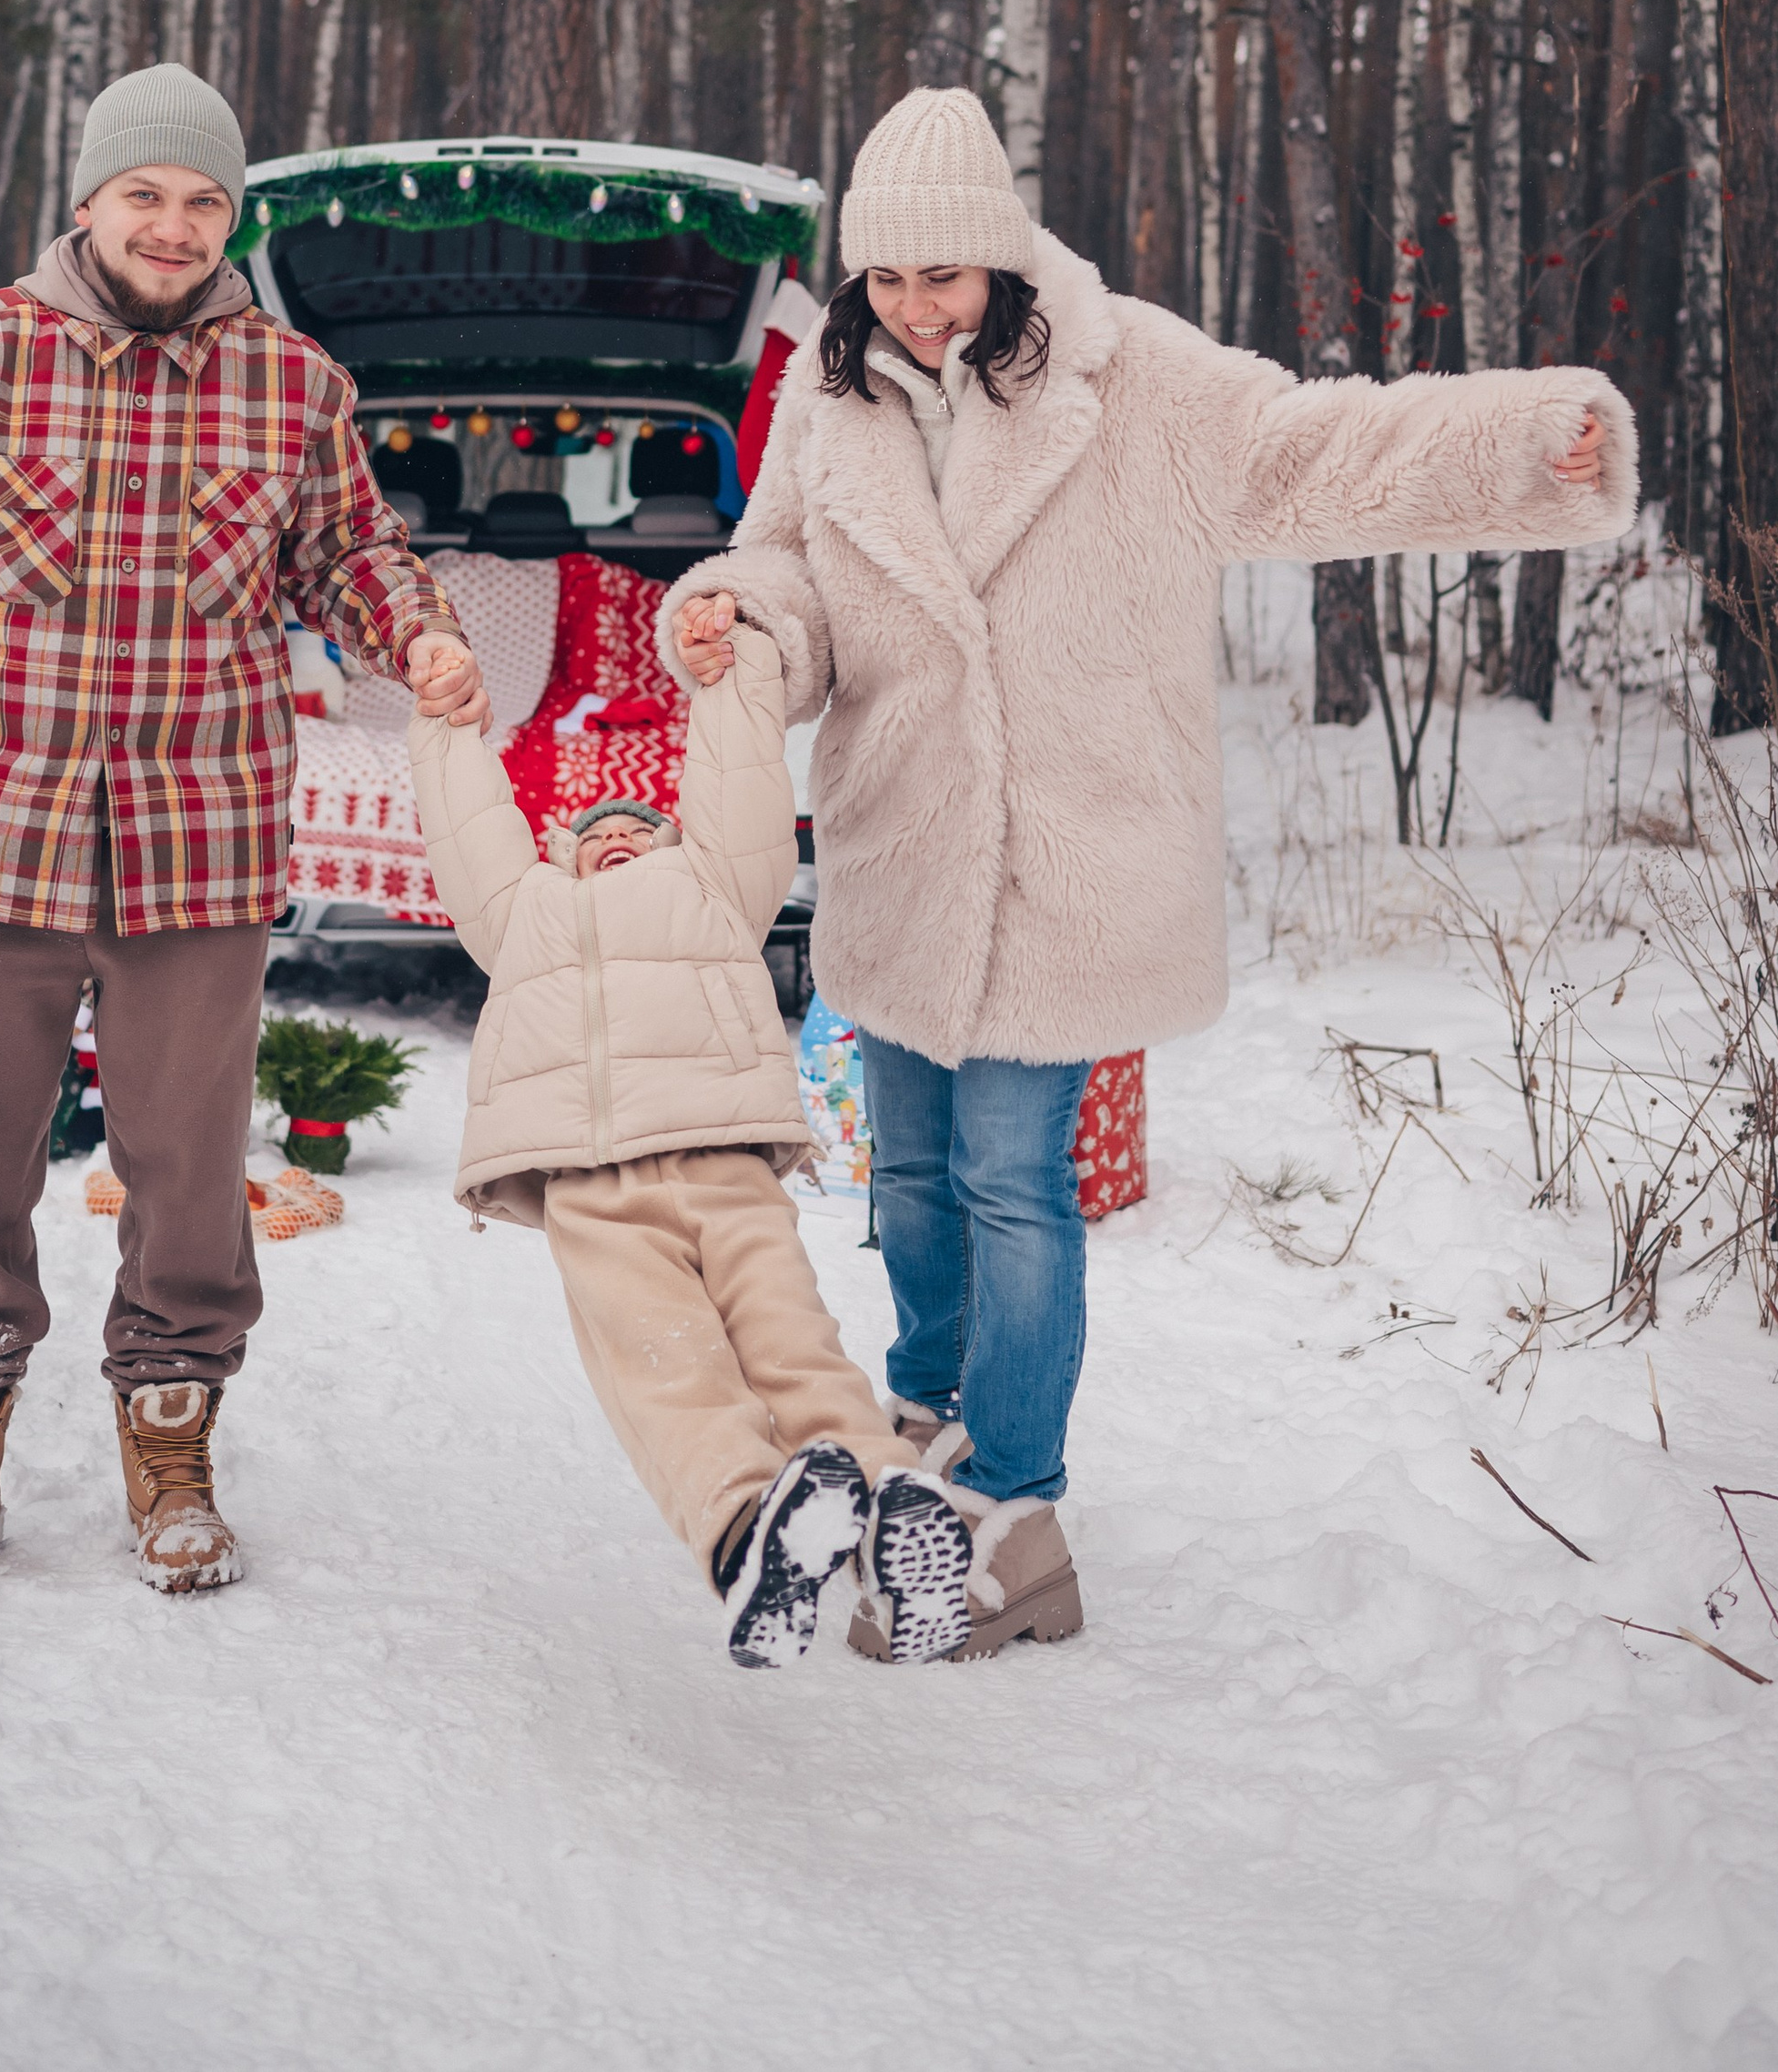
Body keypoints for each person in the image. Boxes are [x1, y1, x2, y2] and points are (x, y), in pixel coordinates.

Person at [666, 84, 1632, 1659]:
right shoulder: (827, 403)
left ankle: (1015, 1514)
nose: (916, 312)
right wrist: (740, 627)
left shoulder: (1129, 381)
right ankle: (929, 1434)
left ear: (1003, 259)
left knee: (1012, 1180)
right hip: (904, 847)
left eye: (946, 277)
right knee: (906, 1182)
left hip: (1071, 857)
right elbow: (787, 578)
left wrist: (1525, 446)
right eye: (887, 282)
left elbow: (1313, 454)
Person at [0, 63, 490, 1602]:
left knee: (184, 1165)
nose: (174, 228)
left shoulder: (292, 385)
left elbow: (351, 554)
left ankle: (173, 1439)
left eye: (205, 202)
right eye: (146, 195)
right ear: (87, 201)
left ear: (235, 217)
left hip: (200, 838)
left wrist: (414, 634)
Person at [410, 612, 975, 1668]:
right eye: (595, 832)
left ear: (674, 842)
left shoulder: (714, 886)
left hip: (722, 1159)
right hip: (590, 1187)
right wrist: (447, 728)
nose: (617, 833)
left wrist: (730, 683)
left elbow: (740, 793)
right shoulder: (526, 909)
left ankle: (891, 1504)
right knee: (667, 1364)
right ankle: (749, 1528)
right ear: (561, 854)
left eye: (642, 825)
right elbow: (469, 827)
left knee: (787, 1339)